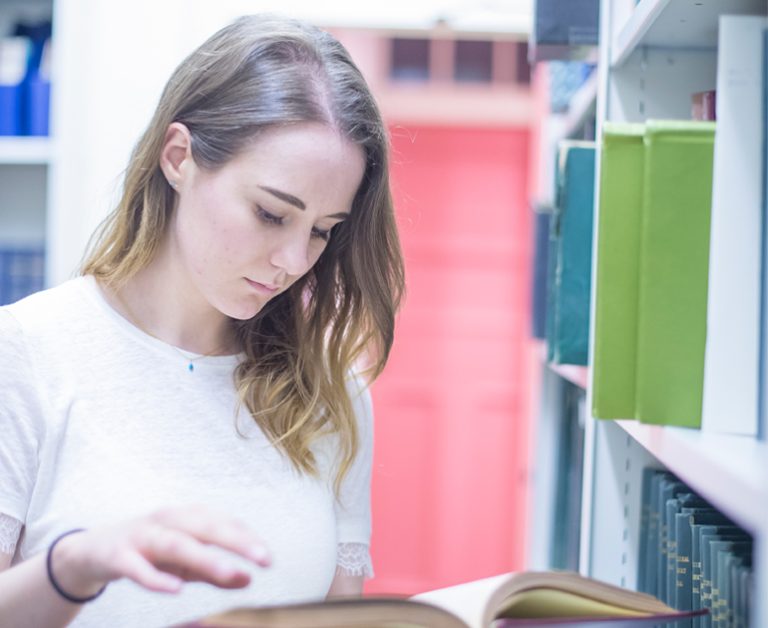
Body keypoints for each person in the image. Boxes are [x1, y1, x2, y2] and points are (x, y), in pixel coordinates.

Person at [0, 13, 404, 628]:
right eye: (272, 214)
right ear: (179, 156)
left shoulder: (332, 393)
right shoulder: (27, 354)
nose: (294, 262)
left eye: (324, 232)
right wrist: (74, 565)